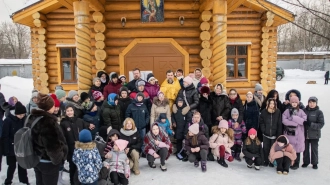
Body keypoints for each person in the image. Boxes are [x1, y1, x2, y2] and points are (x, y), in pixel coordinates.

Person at [26, 93, 68, 185]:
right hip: (48, 162)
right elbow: (52, 146)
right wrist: (58, 160)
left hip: (36, 158)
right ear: (48, 107)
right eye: (53, 105)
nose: (55, 107)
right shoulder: (48, 122)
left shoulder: (32, 117)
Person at [60, 105, 94, 185]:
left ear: (74, 111)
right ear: (65, 112)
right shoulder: (63, 123)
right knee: (73, 167)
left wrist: (89, 125)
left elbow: (85, 127)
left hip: (81, 148)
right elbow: (63, 137)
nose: (69, 112)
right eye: (67, 111)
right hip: (71, 149)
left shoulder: (79, 121)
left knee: (81, 166)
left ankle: (81, 181)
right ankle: (73, 182)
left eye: (71, 110)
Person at [2, 102, 30, 185]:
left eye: (23, 115)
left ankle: (24, 181)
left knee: (22, 165)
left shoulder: (24, 119)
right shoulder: (8, 120)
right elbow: (5, 136)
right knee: (11, 166)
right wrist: (5, 149)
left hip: (21, 147)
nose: (22, 116)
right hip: (11, 147)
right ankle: (8, 181)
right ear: (16, 113)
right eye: (20, 115)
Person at [282, 96, 307, 170]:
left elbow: (304, 120)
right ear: (290, 103)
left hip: (298, 135)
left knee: (297, 150)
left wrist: (294, 118)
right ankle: (290, 162)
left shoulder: (301, 111)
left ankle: (296, 163)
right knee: (290, 149)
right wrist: (295, 123)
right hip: (289, 134)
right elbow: (284, 120)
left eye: (296, 102)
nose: (294, 104)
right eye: (293, 102)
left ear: (298, 103)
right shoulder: (287, 111)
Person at [302, 96, 324, 169]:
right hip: (305, 134)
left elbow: (321, 124)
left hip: (315, 135)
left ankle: (315, 163)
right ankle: (305, 162)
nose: (311, 104)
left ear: (316, 103)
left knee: (314, 149)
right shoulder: (304, 110)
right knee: (305, 149)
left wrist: (311, 124)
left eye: (313, 102)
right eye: (310, 102)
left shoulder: (319, 112)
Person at [259, 98, 282, 167]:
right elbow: (261, 122)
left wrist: (278, 134)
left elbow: (279, 123)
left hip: (274, 135)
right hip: (266, 134)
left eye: (273, 103)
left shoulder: (278, 112)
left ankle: (272, 161)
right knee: (266, 148)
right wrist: (264, 130)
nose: (271, 105)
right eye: (270, 103)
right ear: (268, 104)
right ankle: (266, 160)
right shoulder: (264, 112)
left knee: (273, 148)